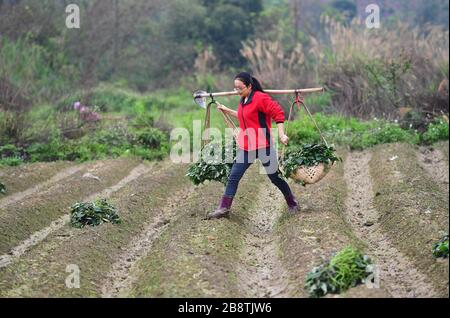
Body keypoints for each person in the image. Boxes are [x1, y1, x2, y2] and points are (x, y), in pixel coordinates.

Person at [207, 72, 300, 219]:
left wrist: (281, 134)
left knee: (275, 177)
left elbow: (278, 113)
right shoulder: (243, 99)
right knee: (233, 176)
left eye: (240, 88)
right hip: (247, 147)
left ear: (249, 86)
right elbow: (244, 116)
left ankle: (292, 203)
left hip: (263, 145)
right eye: (235, 88)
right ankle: (223, 208)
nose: (237, 91)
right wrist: (226, 110)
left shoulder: (260, 98)